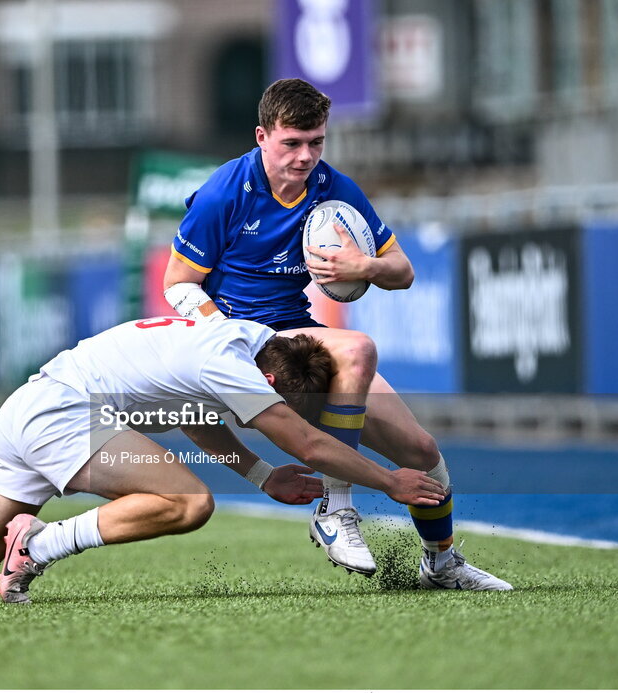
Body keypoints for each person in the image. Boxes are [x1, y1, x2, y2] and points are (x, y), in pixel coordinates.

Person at [0, 317, 448, 607]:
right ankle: (39, 543)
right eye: (290, 402)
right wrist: (389, 479)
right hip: (62, 415)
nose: (288, 413)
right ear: (276, 382)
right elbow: (310, 443)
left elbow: (190, 416)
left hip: (26, 410)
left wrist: (262, 477)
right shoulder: (231, 360)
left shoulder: (233, 339)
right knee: (187, 502)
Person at [163, 78, 511, 589]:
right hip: (237, 339)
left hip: (296, 331)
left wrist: (364, 264)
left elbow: (403, 271)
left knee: (421, 450)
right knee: (357, 347)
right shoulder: (223, 192)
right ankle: (337, 507)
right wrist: (226, 337)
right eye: (292, 143)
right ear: (262, 136)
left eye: (317, 142)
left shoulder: (335, 189)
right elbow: (177, 284)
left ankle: (441, 564)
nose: (306, 156)